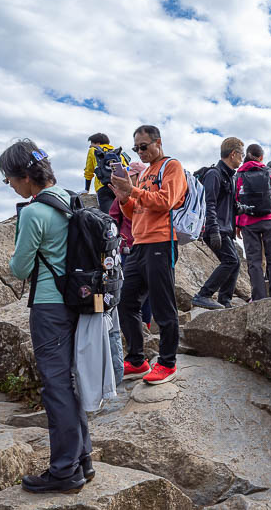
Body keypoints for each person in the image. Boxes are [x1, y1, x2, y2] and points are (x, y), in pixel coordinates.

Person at [0, 139, 93, 493]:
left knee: (56, 387)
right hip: (77, 301)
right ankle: (83, 459)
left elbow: (20, 268)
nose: (10, 185)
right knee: (71, 381)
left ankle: (65, 470)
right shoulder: (71, 199)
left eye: (9, 179)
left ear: (24, 176)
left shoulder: (35, 212)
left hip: (49, 307)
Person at [110, 125, 187, 385]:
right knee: (126, 302)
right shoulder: (144, 175)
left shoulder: (171, 166)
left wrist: (133, 191)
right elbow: (135, 212)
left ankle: (167, 363)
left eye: (143, 146)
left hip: (162, 242)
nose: (140, 152)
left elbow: (166, 201)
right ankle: (137, 359)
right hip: (139, 244)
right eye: (136, 148)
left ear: (158, 142)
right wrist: (124, 198)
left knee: (163, 305)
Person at [107, 161, 151, 385]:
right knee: (127, 301)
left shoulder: (147, 193)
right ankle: (137, 359)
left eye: (133, 175)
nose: (130, 178)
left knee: (154, 299)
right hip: (129, 250)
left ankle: (163, 360)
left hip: (150, 246)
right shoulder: (123, 198)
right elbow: (114, 220)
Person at [191, 137, 244, 310]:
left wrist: (243, 209)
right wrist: (213, 230)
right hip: (214, 228)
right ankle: (203, 295)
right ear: (233, 154)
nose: (242, 158)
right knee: (230, 261)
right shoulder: (215, 174)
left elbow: (227, 204)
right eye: (241, 155)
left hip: (224, 228)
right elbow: (209, 203)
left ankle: (224, 300)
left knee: (234, 262)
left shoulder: (230, 177)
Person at [235, 144, 271, 300]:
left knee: (254, 261)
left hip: (248, 221)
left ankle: (259, 297)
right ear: (261, 157)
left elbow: (235, 200)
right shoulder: (270, 173)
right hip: (270, 220)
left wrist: (237, 223)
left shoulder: (238, 175)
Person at [84, 132, 116, 214]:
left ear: (97, 143)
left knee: (107, 216)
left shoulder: (93, 151)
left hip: (103, 186)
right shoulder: (116, 152)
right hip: (118, 187)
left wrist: (86, 189)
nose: (90, 146)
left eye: (91, 143)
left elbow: (89, 171)